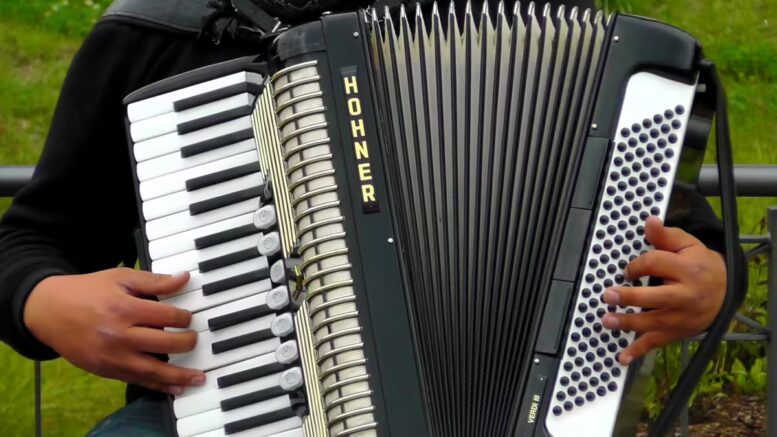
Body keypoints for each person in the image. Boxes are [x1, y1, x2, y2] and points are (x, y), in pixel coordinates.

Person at [0, 0, 745, 435]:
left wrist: (709, 280)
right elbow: (31, 239)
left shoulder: (539, 35)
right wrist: (45, 301)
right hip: (219, 414)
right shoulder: (157, 33)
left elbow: (688, 238)